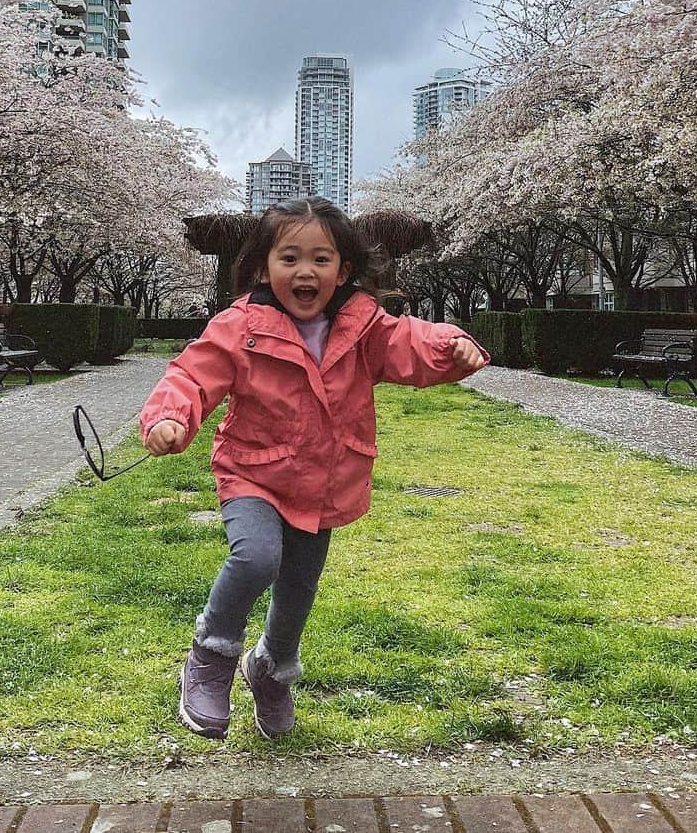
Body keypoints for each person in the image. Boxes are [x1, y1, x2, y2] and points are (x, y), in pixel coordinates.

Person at [139, 196, 489, 742]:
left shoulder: (364, 326)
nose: (306, 271)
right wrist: (169, 417)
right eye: (290, 258)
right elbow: (191, 375)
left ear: (342, 270)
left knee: (299, 588)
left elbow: (409, 341)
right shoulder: (241, 326)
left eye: (321, 259)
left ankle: (271, 670)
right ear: (264, 268)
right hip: (252, 473)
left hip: (324, 483)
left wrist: (452, 345)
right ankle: (211, 656)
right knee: (256, 557)